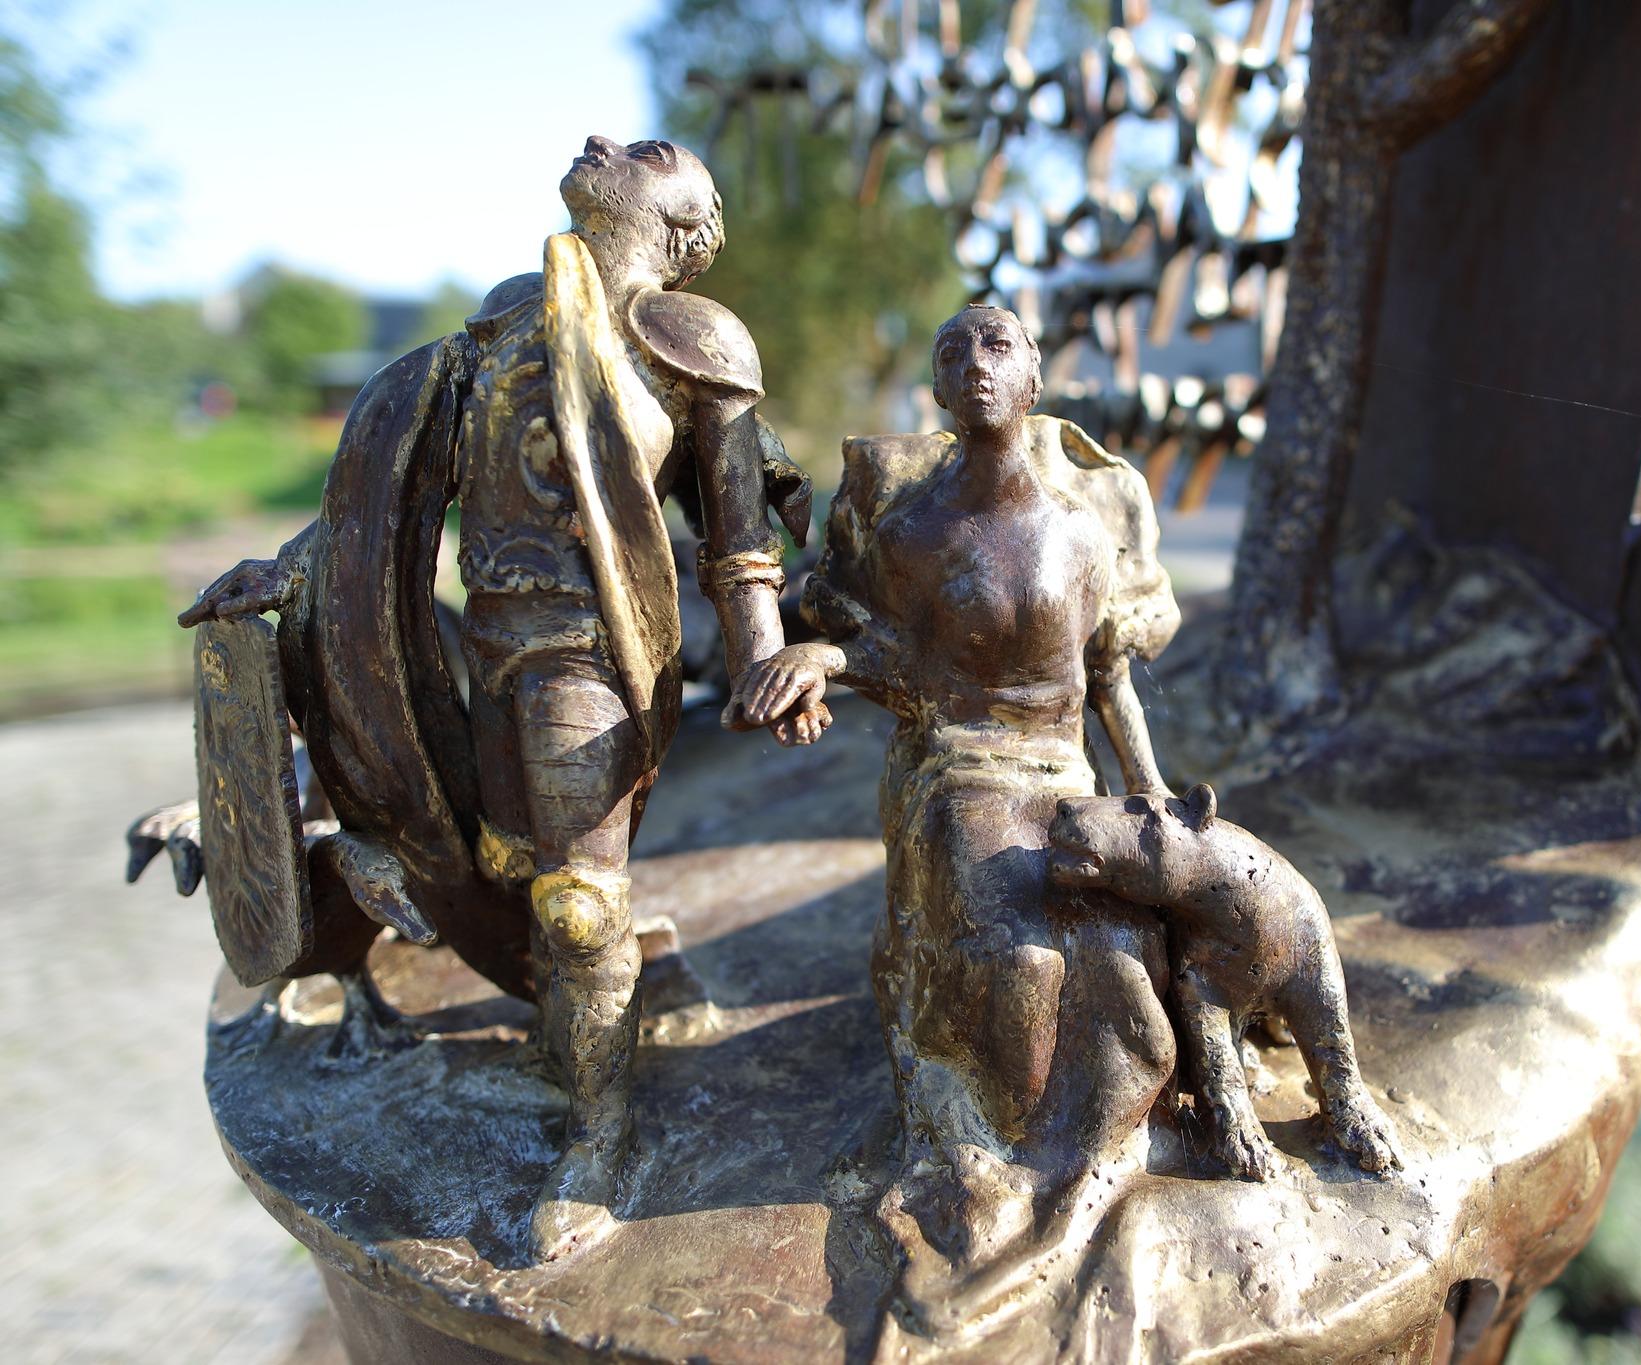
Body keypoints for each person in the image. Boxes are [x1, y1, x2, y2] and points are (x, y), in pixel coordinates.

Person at [181, 136, 821, 1260]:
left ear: (686, 227)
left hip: (592, 657)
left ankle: (599, 1136)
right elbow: (396, 488)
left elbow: (737, 539)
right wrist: (288, 575)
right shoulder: (506, 319)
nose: (602, 146)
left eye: (646, 153)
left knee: (579, 902)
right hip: (485, 646)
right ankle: (579, 1030)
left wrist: (767, 658)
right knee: (507, 862)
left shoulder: (694, 339)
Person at [729, 304, 1181, 1202]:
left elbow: (1106, 675)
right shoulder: (913, 537)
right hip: (963, 769)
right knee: (1022, 963)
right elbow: (897, 662)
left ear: (1032, 379)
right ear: (937, 389)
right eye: (953, 351)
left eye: (997, 345)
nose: (976, 362)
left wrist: (1150, 788)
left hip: (1066, 774)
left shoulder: (1082, 533)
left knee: (1127, 961)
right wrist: (823, 658)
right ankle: (991, 1121)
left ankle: (1098, 1145)